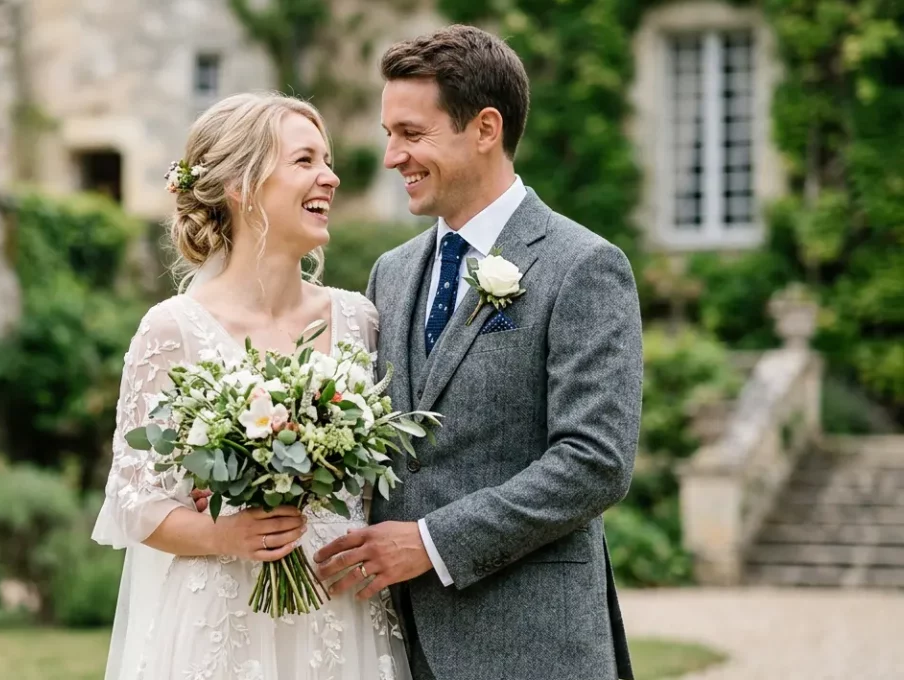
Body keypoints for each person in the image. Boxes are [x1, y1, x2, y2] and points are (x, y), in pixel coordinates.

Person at [313, 24, 643, 680]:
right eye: (388, 134)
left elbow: (595, 461)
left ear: (486, 128)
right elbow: (369, 443)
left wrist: (432, 543)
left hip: (533, 646)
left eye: (411, 133)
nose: (391, 157)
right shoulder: (390, 273)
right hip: (398, 641)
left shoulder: (584, 266)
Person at [92, 91, 411, 680]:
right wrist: (226, 534)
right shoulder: (172, 330)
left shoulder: (360, 320)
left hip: (340, 612)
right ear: (240, 186)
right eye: (305, 160)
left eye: (328, 160)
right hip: (221, 620)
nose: (330, 177)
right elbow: (133, 501)